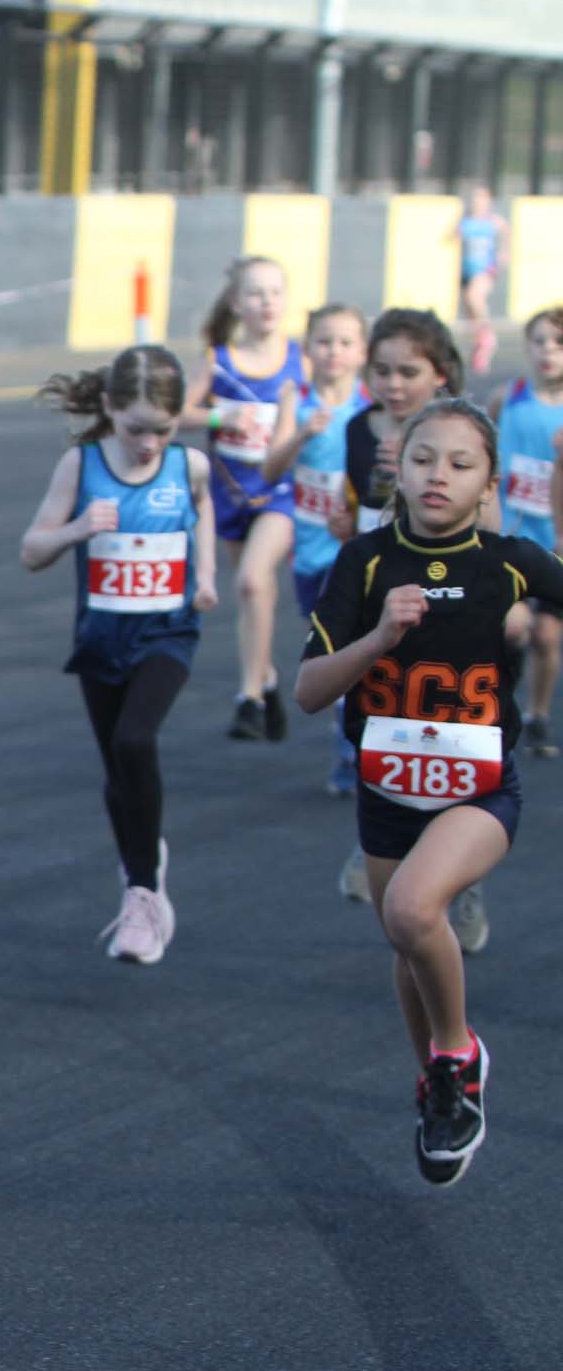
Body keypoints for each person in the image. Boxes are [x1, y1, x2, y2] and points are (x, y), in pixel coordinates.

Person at [297, 396, 563, 1184]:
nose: (438, 475)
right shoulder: (365, 562)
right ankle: (439, 1090)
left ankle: (457, 1054)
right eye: (422, 459)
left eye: (460, 463)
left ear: (488, 484)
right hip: (387, 790)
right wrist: (380, 636)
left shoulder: (509, 560)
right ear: (399, 472)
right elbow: (309, 690)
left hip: (479, 791)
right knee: (407, 939)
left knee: (415, 910)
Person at [21, 347, 220, 965]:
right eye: (136, 430)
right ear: (108, 408)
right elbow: (31, 550)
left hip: (167, 633)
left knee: (136, 741)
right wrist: (77, 529)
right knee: (117, 772)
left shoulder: (188, 466)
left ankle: (143, 893)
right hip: (102, 640)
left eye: (164, 429)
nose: (149, 444)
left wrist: (206, 574)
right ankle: (142, 860)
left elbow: (203, 510)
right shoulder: (80, 466)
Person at [332, 308, 485, 944]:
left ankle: (462, 881)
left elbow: (489, 528)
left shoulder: (461, 437)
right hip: (379, 611)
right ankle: (380, 841)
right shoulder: (358, 429)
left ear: (439, 374)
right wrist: (345, 525)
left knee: (449, 746)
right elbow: (353, 510)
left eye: (409, 372)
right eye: (382, 371)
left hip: (448, 612)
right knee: (379, 733)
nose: (393, 385)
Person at [182, 256, 300, 743]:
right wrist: (220, 418)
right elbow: (177, 414)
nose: (267, 302)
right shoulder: (219, 362)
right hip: (231, 493)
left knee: (253, 579)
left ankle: (249, 699)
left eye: (275, 292)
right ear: (236, 303)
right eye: (255, 293)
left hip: (282, 493)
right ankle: (265, 677)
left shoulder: (301, 360)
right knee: (254, 593)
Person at [263, 303, 372, 797]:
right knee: (331, 650)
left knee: (347, 644)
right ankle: (349, 736)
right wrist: (302, 435)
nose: (334, 352)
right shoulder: (298, 399)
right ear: (307, 349)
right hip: (309, 550)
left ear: (362, 351)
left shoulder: (370, 406)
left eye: (346, 342)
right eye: (324, 341)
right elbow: (270, 469)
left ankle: (352, 749)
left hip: (354, 550)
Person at [493, 306, 563, 758]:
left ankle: (538, 715)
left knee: (546, 636)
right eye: (539, 342)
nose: (548, 352)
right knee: (512, 627)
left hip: (556, 541)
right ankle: (500, 707)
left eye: (559, 344)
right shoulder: (508, 398)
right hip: (512, 538)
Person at [455, 186, 510, 375]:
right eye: (474, 198)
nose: (477, 202)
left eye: (481, 198)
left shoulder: (494, 221)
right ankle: (481, 345)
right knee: (470, 311)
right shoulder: (465, 222)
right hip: (467, 270)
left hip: (485, 269)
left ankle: (488, 336)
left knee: (475, 297)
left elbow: (506, 234)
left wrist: (504, 252)